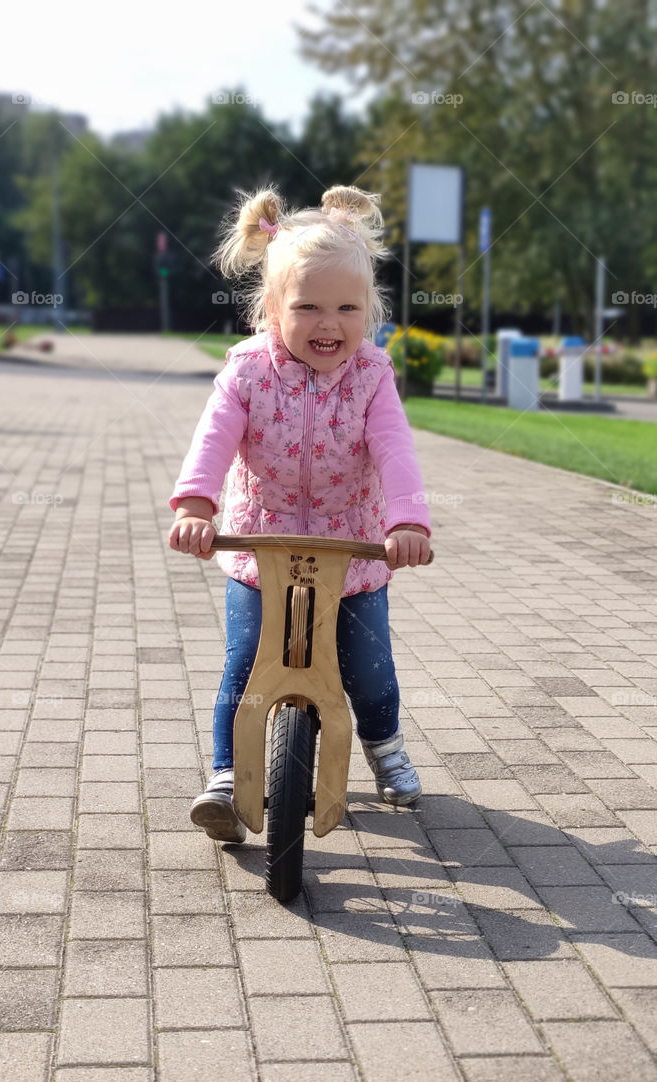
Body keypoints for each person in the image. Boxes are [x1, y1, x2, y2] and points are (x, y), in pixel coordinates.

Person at [168, 184, 432, 844]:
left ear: (368, 311)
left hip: (353, 553)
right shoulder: (246, 370)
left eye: (346, 307)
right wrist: (197, 505)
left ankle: (383, 743)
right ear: (269, 308)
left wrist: (406, 523)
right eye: (307, 306)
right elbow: (213, 436)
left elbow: (394, 447)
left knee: (369, 672)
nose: (328, 323)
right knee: (245, 664)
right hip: (261, 546)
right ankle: (227, 776)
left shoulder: (372, 374)